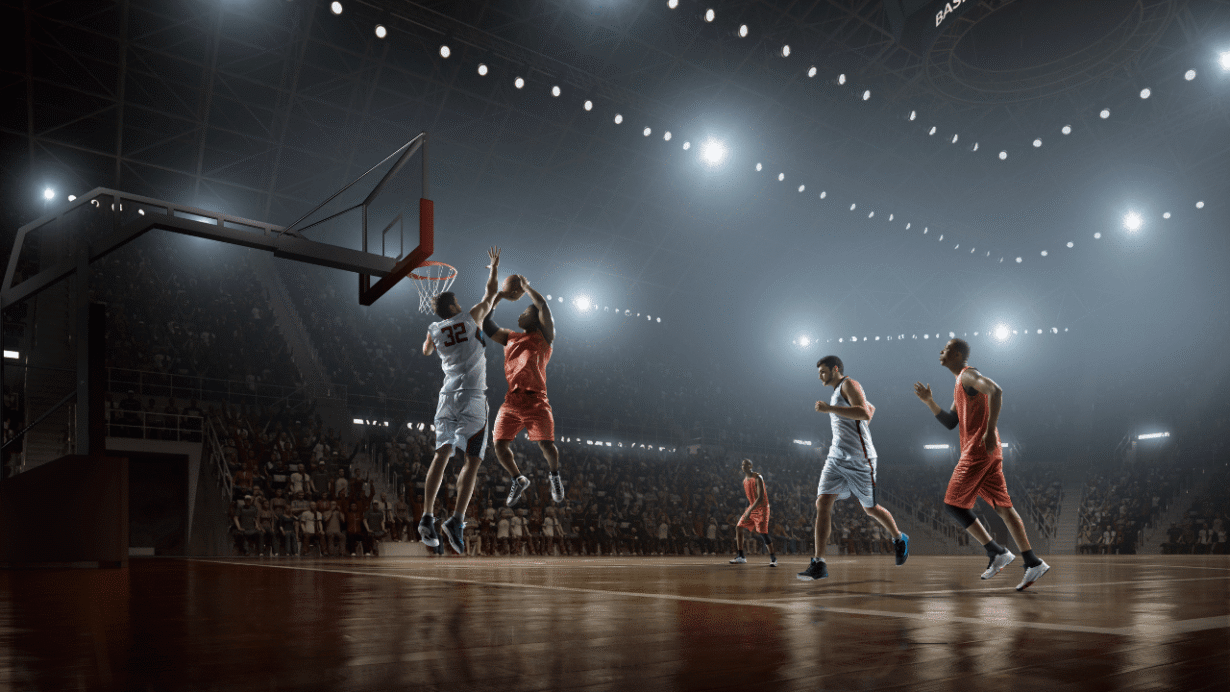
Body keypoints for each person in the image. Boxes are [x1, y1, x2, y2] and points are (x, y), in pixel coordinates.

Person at [913, 338, 1051, 592]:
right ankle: (1032, 562)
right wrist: (929, 402)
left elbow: (996, 391)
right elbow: (951, 421)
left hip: (978, 449)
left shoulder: (968, 375)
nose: (941, 352)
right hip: (988, 452)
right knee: (1004, 509)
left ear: (957, 354)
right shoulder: (960, 382)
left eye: (945, 349)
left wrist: (989, 431)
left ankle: (995, 551)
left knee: (953, 504)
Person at [418, 247, 502, 555]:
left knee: (441, 454)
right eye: (457, 301)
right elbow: (491, 293)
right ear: (454, 305)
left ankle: (427, 516)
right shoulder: (470, 317)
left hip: (447, 397)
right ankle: (456, 520)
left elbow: (426, 351)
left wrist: (432, 334)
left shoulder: (435, 329)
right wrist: (494, 267)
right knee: (473, 459)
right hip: (472, 398)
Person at [798, 356, 909, 582]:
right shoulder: (837, 391)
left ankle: (899, 538)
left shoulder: (849, 384)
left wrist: (830, 409)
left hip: (859, 459)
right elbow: (870, 408)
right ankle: (819, 563)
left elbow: (865, 412)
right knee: (822, 503)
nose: (820, 376)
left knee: (870, 508)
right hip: (836, 457)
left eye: (823, 371)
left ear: (835, 369)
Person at [482, 275, 565, 506]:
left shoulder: (544, 338)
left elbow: (543, 305)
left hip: (536, 400)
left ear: (536, 319)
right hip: (512, 401)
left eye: (525, 312)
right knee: (499, 445)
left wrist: (527, 287)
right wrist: (499, 296)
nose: (520, 315)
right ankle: (518, 479)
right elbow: (486, 324)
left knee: (546, 445)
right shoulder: (511, 338)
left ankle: (554, 476)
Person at [729, 459, 777, 567]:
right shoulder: (744, 481)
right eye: (742, 464)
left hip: (762, 508)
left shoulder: (758, 477)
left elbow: (760, 497)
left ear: (751, 466)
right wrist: (749, 509)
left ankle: (773, 558)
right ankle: (741, 556)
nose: (743, 466)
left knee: (763, 533)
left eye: (746, 464)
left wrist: (749, 510)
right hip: (752, 507)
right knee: (739, 527)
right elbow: (751, 498)